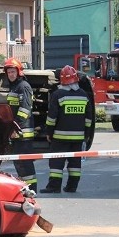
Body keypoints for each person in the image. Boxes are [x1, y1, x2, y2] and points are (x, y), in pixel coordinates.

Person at [41, 65, 93, 193]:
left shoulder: (58, 94)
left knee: (56, 164)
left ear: (61, 80)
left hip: (60, 137)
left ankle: (54, 187)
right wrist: (86, 134)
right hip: (78, 137)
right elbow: (89, 118)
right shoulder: (83, 95)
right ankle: (72, 187)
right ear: (76, 79)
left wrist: (49, 133)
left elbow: (51, 118)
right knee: (75, 163)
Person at [3, 58, 37, 192]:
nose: (11, 74)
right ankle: (25, 188)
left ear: (19, 72)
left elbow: (24, 110)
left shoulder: (23, 86)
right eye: (9, 72)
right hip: (17, 131)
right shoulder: (14, 87)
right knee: (19, 162)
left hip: (23, 131)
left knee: (25, 163)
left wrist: (16, 127)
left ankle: (32, 189)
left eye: (13, 71)